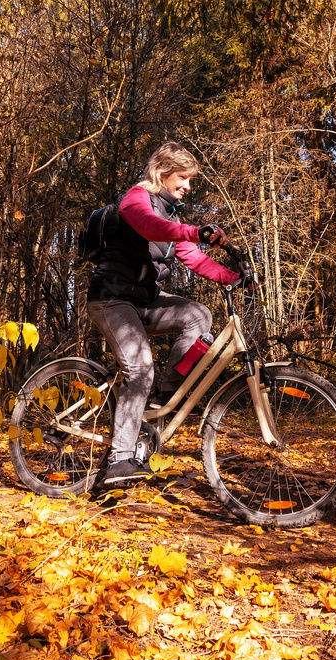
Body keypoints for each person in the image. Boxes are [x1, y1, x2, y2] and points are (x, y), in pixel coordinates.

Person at [87, 141, 239, 485]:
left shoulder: (172, 216)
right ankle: (119, 460)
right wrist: (195, 231)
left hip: (143, 301)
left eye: (190, 180)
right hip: (112, 298)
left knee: (197, 315)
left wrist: (235, 277)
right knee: (139, 368)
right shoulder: (137, 198)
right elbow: (148, 227)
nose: (187, 186)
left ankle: (163, 397)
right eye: (183, 178)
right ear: (162, 173)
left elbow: (194, 259)